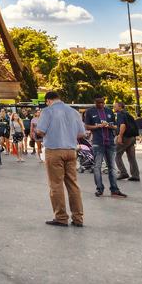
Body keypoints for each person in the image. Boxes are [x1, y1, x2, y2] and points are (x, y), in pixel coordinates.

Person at [34, 91, 86, 227]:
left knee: (56, 185)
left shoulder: (47, 111)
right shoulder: (74, 112)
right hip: (71, 151)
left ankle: (61, 217)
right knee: (73, 185)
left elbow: (40, 131)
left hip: (54, 151)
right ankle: (78, 218)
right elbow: (81, 133)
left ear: (48, 101)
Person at [83, 96, 126, 198]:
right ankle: (99, 189)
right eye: (98, 103)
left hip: (110, 142)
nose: (101, 105)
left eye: (102, 103)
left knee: (112, 167)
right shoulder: (90, 112)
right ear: (95, 103)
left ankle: (114, 189)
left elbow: (116, 126)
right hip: (98, 143)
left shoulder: (109, 111)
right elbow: (86, 126)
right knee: (97, 167)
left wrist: (109, 125)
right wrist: (98, 126)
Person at [113, 102, 140, 182]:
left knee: (117, 154)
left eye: (115, 106)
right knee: (131, 157)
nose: (114, 107)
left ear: (120, 106)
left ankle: (123, 172)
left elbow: (123, 126)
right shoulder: (128, 114)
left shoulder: (120, 114)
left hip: (125, 137)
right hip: (132, 137)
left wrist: (120, 136)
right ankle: (135, 175)